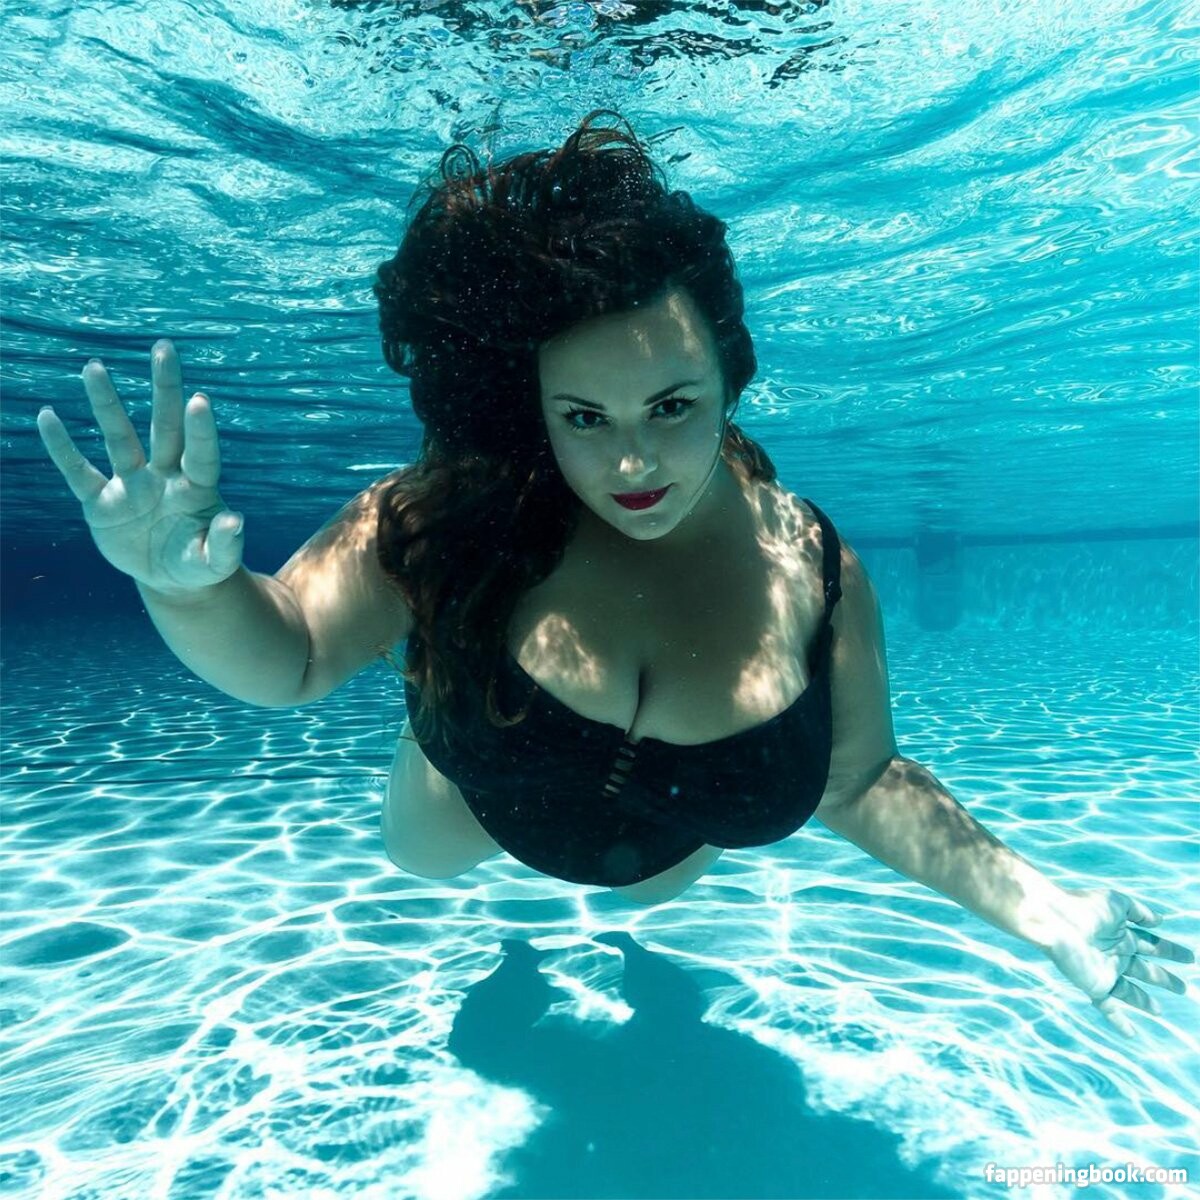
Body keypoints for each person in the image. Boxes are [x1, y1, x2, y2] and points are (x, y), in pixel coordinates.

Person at [36, 110, 1190, 1038]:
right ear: (530, 404)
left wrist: (1050, 913)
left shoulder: (811, 568)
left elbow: (859, 782)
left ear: (730, 379)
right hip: (464, 803)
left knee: (643, 898)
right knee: (424, 860)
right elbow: (287, 655)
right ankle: (436, 674)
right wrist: (184, 587)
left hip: (658, 855)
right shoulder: (456, 511)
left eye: (672, 406)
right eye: (584, 416)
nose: (632, 463)